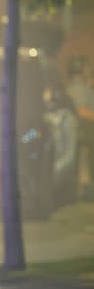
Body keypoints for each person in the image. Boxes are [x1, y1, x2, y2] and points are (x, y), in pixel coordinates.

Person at [67, 55, 94, 200]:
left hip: (86, 133)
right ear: (80, 70)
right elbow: (82, 111)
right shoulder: (79, 89)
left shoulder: (82, 87)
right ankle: (86, 189)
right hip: (86, 133)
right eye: (87, 68)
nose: (90, 70)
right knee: (86, 163)